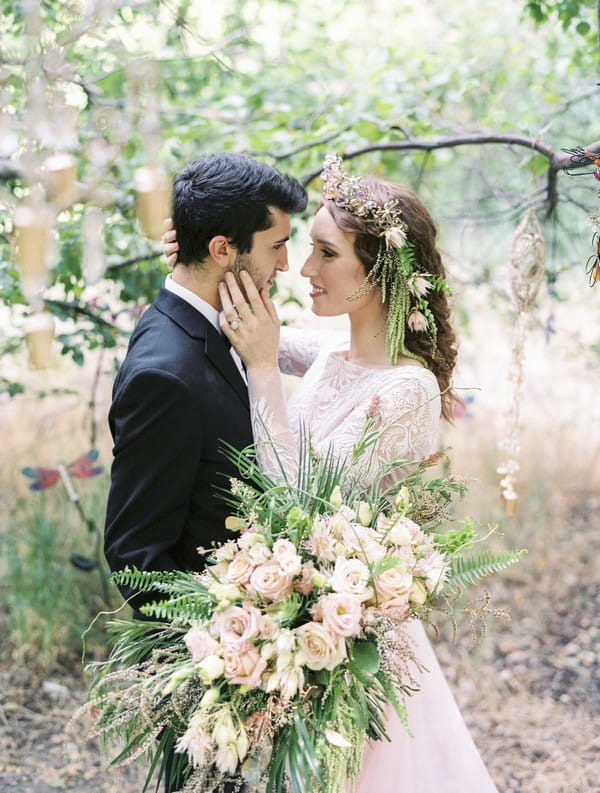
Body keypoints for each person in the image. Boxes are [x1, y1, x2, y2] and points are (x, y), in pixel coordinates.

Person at [169, 152, 498, 793]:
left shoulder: (407, 389)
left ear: (373, 276)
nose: (303, 269)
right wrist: (203, 262)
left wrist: (264, 370)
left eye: (324, 253)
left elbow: (293, 500)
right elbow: (249, 318)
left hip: (350, 642)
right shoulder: (333, 350)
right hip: (306, 611)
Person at [104, 151, 307, 792]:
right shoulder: (167, 372)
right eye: (276, 246)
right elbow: (137, 556)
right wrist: (237, 651)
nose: (285, 265)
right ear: (223, 248)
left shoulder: (219, 319)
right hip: (216, 687)